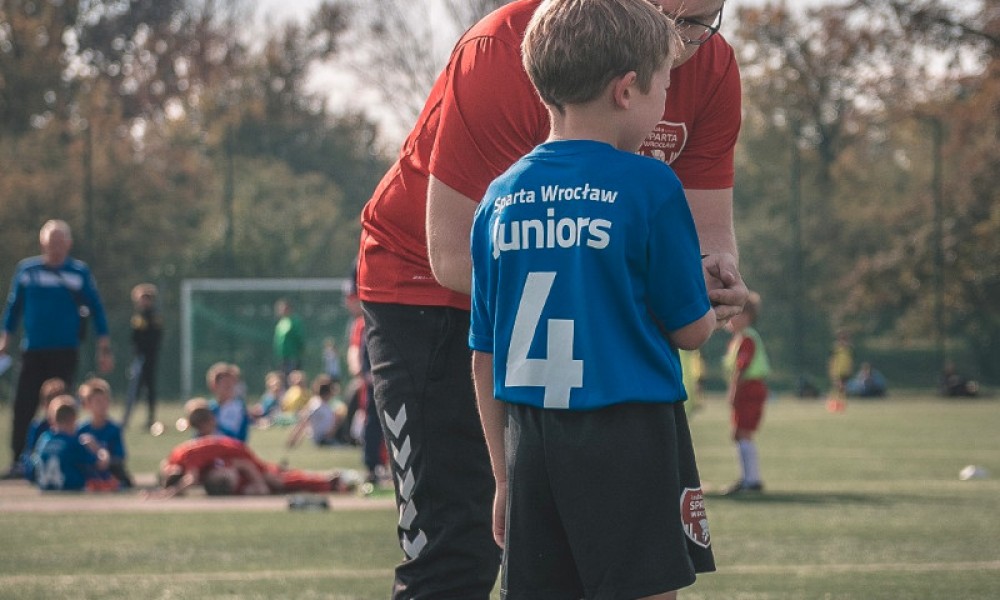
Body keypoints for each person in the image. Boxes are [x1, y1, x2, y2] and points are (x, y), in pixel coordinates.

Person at [356, 0, 745, 594]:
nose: (683, 42)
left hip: (553, 340)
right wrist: (632, 293)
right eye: (669, 18)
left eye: (704, 18)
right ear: (626, 86)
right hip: (424, 293)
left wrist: (713, 276)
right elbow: (451, 257)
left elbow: (709, 233)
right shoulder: (504, 47)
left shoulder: (709, 63)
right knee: (455, 547)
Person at [470, 2, 716, 595]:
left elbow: (484, 353)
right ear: (627, 90)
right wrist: (707, 295)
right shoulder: (650, 184)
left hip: (530, 440)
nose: (665, 102)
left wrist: (502, 477)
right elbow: (691, 329)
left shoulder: (499, 197)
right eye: (664, 87)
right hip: (628, 432)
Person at [1, 219, 114, 479]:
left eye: (61, 242)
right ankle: (19, 460)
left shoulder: (78, 272)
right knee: (24, 403)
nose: (56, 247)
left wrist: (104, 345)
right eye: (52, 242)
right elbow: (13, 308)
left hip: (65, 350)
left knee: (62, 406)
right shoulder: (27, 271)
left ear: (69, 244)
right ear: (42, 243)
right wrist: (5, 339)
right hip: (33, 349)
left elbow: (96, 308)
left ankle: (65, 456)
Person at [154, 406, 353, 498]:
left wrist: (169, 492)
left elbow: (191, 478)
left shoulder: (185, 457)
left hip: (236, 452)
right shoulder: (176, 455)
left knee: (274, 481)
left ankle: (327, 482)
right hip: (231, 450)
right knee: (273, 477)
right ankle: (325, 481)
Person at [721, 291, 770, 495]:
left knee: (744, 433)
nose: (729, 319)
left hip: (749, 389)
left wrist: (733, 391)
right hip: (746, 389)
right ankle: (748, 478)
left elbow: (742, 367)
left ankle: (752, 480)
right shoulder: (739, 338)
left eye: (734, 314)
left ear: (747, 317)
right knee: (739, 434)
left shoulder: (747, 338)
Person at [32, 396, 110, 491]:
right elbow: (101, 464)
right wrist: (98, 448)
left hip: (44, 488)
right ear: (73, 419)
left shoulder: (44, 438)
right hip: (69, 488)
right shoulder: (73, 443)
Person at [78, 377, 134, 488]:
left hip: (109, 475)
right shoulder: (81, 430)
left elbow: (120, 457)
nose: (103, 405)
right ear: (87, 404)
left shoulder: (114, 429)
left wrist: (103, 458)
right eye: (98, 401)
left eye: (105, 400)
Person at [122, 283, 163, 430]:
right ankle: (127, 419)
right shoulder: (138, 316)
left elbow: (155, 338)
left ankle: (150, 419)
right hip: (138, 358)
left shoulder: (154, 317)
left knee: (148, 388)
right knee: (135, 389)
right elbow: (134, 338)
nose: (144, 302)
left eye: (147, 299)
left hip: (148, 358)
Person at [286, 374, 346, 447]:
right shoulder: (316, 404)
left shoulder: (325, 404)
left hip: (328, 436)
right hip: (322, 438)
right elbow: (303, 422)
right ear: (328, 392)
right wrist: (293, 440)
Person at [206, 362, 250, 442]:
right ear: (214, 385)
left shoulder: (240, 410)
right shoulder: (208, 408)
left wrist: (216, 426)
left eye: (231, 384)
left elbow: (240, 439)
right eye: (225, 384)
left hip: (230, 448)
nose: (229, 387)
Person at [273, 299, 305, 383]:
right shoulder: (281, 323)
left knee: (292, 380)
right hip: (282, 358)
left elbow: (300, 338)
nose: (282, 311)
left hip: (293, 357)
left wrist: (298, 352)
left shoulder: (295, 321)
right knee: (282, 380)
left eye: (284, 308)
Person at [827, 329, 853, 412]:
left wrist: (849, 368)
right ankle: (833, 404)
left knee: (842, 389)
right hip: (837, 371)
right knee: (839, 387)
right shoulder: (836, 349)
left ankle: (839, 405)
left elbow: (849, 360)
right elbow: (831, 360)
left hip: (845, 371)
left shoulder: (848, 349)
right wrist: (831, 370)